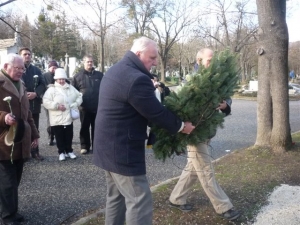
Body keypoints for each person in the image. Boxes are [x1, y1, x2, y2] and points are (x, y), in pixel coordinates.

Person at [93, 36, 195, 225]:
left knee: (116, 197)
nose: (155, 62)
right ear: (138, 54)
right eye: (152, 57)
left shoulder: (116, 69)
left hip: (106, 147)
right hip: (122, 150)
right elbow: (155, 113)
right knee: (140, 200)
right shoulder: (136, 79)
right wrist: (182, 126)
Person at [168, 48, 240, 221]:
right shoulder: (190, 81)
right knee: (205, 169)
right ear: (199, 61)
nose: (212, 62)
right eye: (209, 60)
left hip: (208, 132)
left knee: (193, 168)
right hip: (195, 133)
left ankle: (176, 198)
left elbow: (226, 98)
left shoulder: (216, 78)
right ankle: (223, 207)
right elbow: (180, 106)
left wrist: (225, 105)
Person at [0, 53, 39, 225]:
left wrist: (35, 134)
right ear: (6, 66)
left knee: (15, 180)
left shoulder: (21, 83)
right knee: (7, 182)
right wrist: (3, 117)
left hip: (21, 139)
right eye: (18, 68)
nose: (22, 71)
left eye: (23, 68)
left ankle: (11, 212)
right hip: (3, 142)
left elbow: (28, 113)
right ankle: (8, 217)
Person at [43, 68, 82, 161]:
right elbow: (45, 101)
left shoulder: (70, 88)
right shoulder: (51, 89)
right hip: (56, 118)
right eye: (59, 79)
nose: (61, 81)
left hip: (68, 117)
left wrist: (75, 104)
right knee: (59, 136)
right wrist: (56, 106)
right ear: (56, 79)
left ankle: (69, 150)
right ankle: (61, 152)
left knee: (69, 135)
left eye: (63, 79)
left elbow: (79, 96)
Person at [72, 55, 104, 155]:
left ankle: (96, 146)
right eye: (87, 62)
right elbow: (73, 92)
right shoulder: (77, 76)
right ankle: (84, 146)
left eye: (91, 61)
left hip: (97, 106)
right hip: (84, 107)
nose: (90, 63)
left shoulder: (100, 75)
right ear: (84, 62)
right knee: (84, 127)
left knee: (97, 128)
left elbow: (105, 89)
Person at [19, 47, 46, 161]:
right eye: (25, 54)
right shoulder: (17, 69)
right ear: (20, 56)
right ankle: (22, 154)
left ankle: (35, 152)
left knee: (34, 128)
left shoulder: (36, 70)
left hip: (34, 105)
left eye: (29, 54)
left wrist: (36, 93)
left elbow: (43, 84)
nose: (27, 56)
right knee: (21, 128)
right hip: (20, 105)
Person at [43, 60, 59, 146]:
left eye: (56, 67)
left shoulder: (59, 75)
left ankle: (58, 136)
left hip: (58, 101)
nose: (54, 69)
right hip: (48, 101)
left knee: (58, 120)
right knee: (50, 120)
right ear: (49, 67)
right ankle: (50, 137)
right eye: (53, 67)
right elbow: (41, 86)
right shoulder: (44, 76)